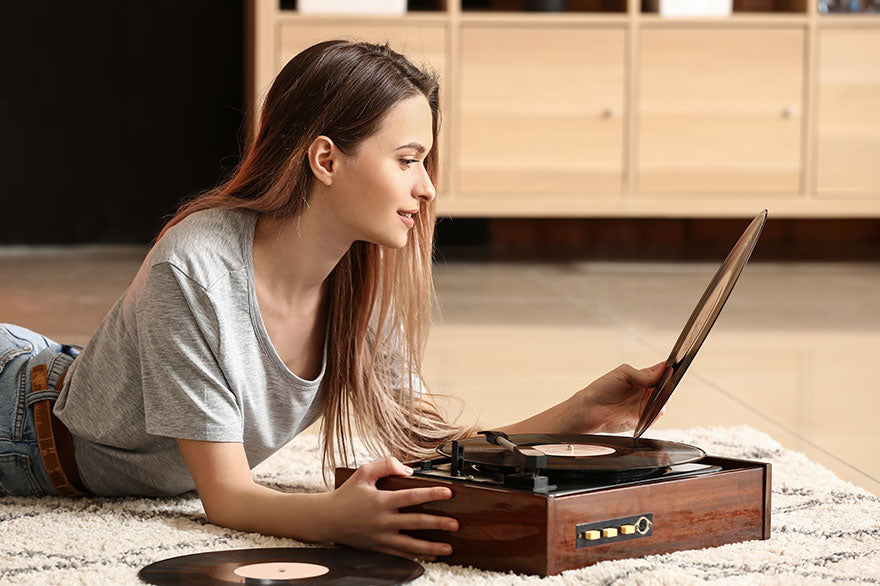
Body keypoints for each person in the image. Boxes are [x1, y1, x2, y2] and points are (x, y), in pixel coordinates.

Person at [0, 40, 665, 561]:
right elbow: (229, 498)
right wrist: (333, 517)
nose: (429, 188)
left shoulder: (360, 280)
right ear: (325, 159)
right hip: (19, 429)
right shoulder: (195, 269)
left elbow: (431, 447)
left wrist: (581, 415)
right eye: (408, 159)